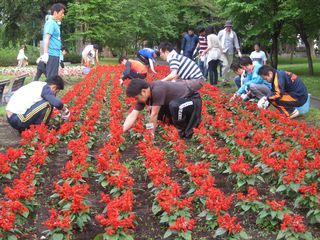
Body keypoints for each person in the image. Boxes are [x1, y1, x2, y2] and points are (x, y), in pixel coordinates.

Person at [123, 79, 202, 139]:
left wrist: (149, 134)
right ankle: (172, 124)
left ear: (143, 91)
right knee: (153, 108)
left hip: (191, 100)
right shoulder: (144, 96)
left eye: (136, 98)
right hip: (177, 103)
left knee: (174, 105)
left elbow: (154, 115)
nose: (136, 100)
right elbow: (132, 115)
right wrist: (121, 131)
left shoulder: (157, 90)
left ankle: (181, 130)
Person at [42, 3, 66, 79]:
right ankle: (48, 90)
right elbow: (47, 38)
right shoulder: (50, 23)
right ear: (55, 13)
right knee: (51, 79)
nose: (63, 15)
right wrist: (45, 53)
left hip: (55, 54)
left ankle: (50, 90)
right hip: (51, 54)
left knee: (53, 77)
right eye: (62, 13)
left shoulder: (55, 23)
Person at [218, 20, 242, 84]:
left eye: (229, 26)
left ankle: (226, 79)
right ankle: (224, 77)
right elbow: (218, 41)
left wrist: (239, 51)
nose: (228, 27)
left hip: (230, 51)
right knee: (225, 65)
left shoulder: (233, 33)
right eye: (227, 26)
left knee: (228, 66)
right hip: (222, 51)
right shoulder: (221, 32)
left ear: (231, 27)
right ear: (225, 26)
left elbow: (236, 42)